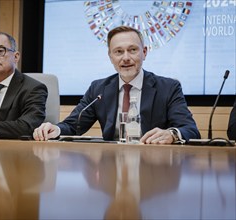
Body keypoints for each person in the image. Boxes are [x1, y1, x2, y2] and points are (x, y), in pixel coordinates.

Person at [33, 26, 200, 144]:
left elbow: (190, 130)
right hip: (111, 166)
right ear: (110, 56)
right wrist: (55, 129)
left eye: (132, 50)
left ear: (144, 52)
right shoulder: (98, 88)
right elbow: (73, 126)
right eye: (119, 52)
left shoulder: (168, 88)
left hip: (154, 166)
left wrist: (171, 134)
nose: (126, 57)